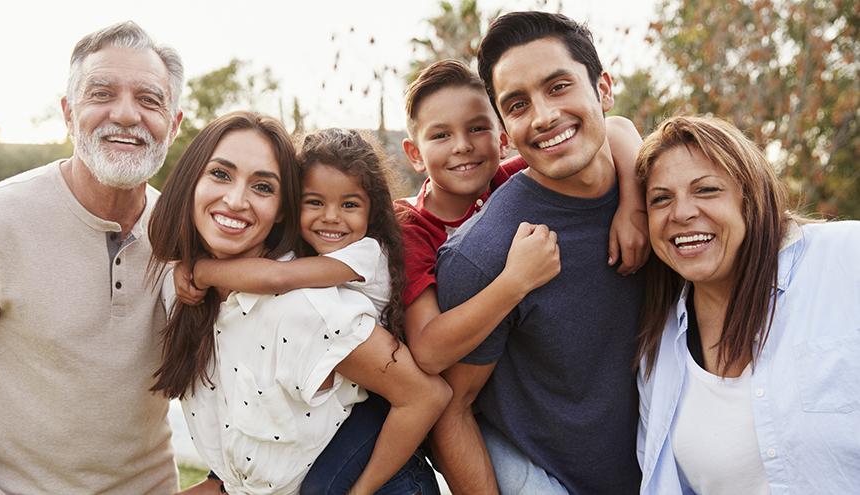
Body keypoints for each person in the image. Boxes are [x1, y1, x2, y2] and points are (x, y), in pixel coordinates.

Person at [148, 112, 450, 495]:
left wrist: (202, 270)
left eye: (262, 187)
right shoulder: (177, 289)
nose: (236, 199)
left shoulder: (309, 309)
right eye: (221, 174)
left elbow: (426, 395)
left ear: (281, 209)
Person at [433, 12, 647, 494]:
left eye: (558, 86)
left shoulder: (663, 197)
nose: (545, 116)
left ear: (604, 89)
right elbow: (452, 407)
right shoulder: (487, 255)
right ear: (505, 130)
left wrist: (635, 199)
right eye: (517, 104)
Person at [0, 21, 183, 494]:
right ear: (69, 114)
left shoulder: (183, 235)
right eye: (102, 93)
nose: (127, 115)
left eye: (150, 100)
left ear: (173, 125)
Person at [635, 116, 860, 494]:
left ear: (749, 197)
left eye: (706, 190)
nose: (682, 212)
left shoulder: (846, 260)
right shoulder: (656, 357)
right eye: (661, 198)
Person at [396, 58, 647, 376]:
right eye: (441, 136)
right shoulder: (410, 226)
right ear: (415, 154)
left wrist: (633, 207)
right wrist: (516, 281)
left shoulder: (506, 182)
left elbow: (615, 126)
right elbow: (428, 352)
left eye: (477, 128)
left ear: (503, 141)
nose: (463, 146)